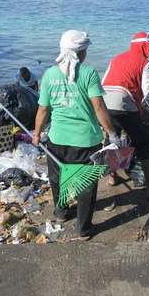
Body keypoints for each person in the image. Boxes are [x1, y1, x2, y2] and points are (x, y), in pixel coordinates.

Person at [33, 30, 119, 241]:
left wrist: (36, 135)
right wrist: (113, 134)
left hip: (56, 139)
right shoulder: (89, 73)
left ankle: (61, 213)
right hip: (86, 141)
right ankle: (83, 229)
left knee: (58, 178)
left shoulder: (49, 75)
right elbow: (99, 108)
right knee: (86, 186)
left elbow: (43, 110)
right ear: (81, 52)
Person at [102, 32, 149, 203]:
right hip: (124, 103)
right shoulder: (145, 63)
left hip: (104, 102)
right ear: (144, 47)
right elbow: (148, 92)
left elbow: (104, 81)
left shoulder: (117, 58)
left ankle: (112, 178)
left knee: (113, 140)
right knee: (144, 147)